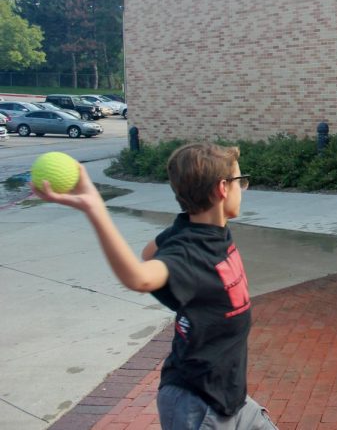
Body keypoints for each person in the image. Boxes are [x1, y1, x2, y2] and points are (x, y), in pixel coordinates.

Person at [32, 143, 277, 430]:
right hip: (197, 405)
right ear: (223, 188)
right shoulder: (189, 254)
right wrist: (95, 207)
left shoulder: (202, 229)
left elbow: (149, 252)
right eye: (240, 182)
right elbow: (139, 275)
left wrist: (185, 298)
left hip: (229, 395)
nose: (243, 189)